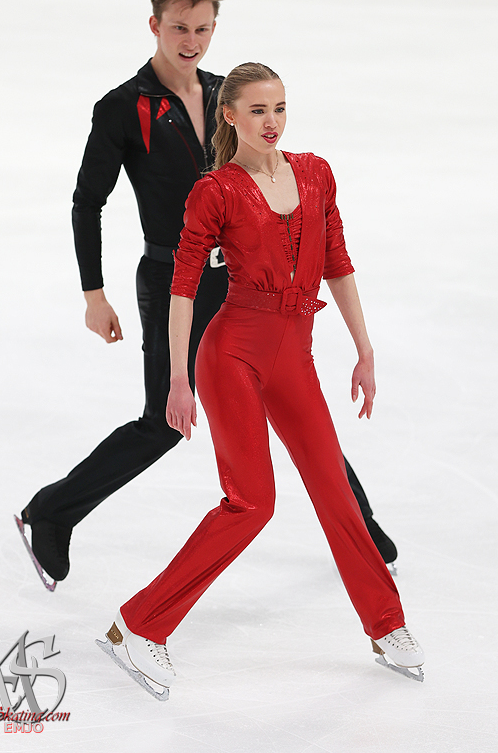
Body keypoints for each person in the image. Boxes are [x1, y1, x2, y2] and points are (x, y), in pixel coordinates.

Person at [17, 0, 397, 587]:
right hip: (173, 277)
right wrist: (94, 294)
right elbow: (88, 203)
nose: (190, 41)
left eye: (202, 29)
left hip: (242, 281)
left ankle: (363, 525)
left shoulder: (228, 93)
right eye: (178, 28)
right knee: (162, 422)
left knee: (290, 396)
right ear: (154, 26)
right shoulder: (123, 108)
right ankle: (53, 511)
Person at [99, 63, 423, 695]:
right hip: (232, 357)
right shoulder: (216, 191)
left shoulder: (316, 173)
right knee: (252, 503)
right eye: (257, 111)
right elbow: (183, 289)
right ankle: (138, 625)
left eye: (279, 108)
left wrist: (364, 349)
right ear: (230, 115)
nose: (271, 122)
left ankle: (387, 624)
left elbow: (338, 263)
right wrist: (177, 380)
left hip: (294, 357)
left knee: (337, 492)